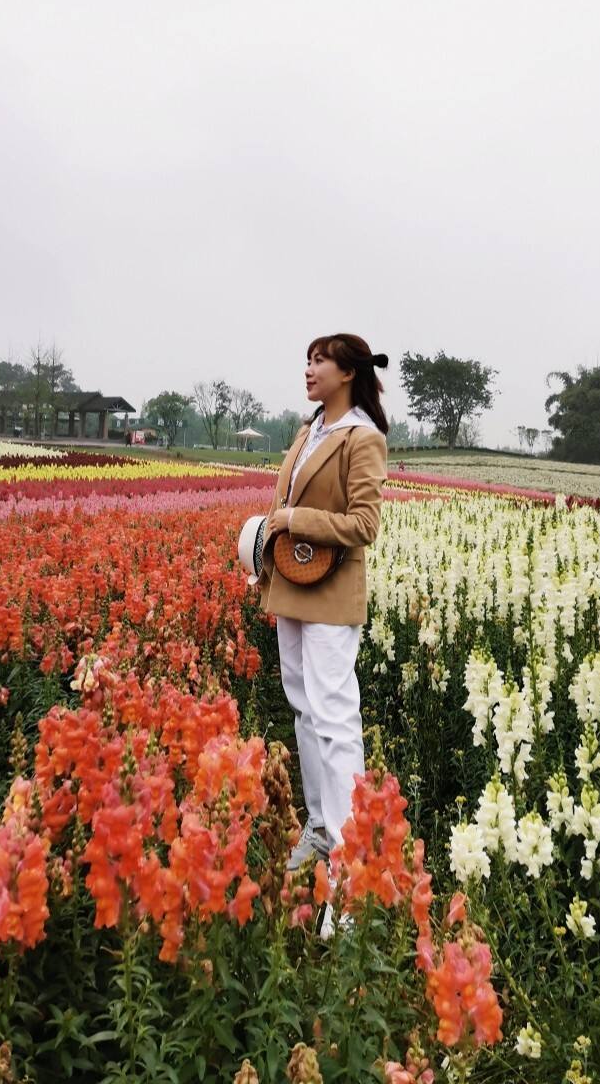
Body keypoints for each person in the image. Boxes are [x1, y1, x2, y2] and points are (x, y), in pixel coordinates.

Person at [254, 333, 389, 932]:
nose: (308, 369)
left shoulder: (363, 437)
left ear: (347, 372)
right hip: (292, 584)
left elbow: (364, 524)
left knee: (336, 717)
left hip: (331, 590)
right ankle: (318, 826)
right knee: (304, 708)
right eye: (307, 359)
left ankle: (350, 863)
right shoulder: (310, 430)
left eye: (319, 361)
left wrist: (290, 519)